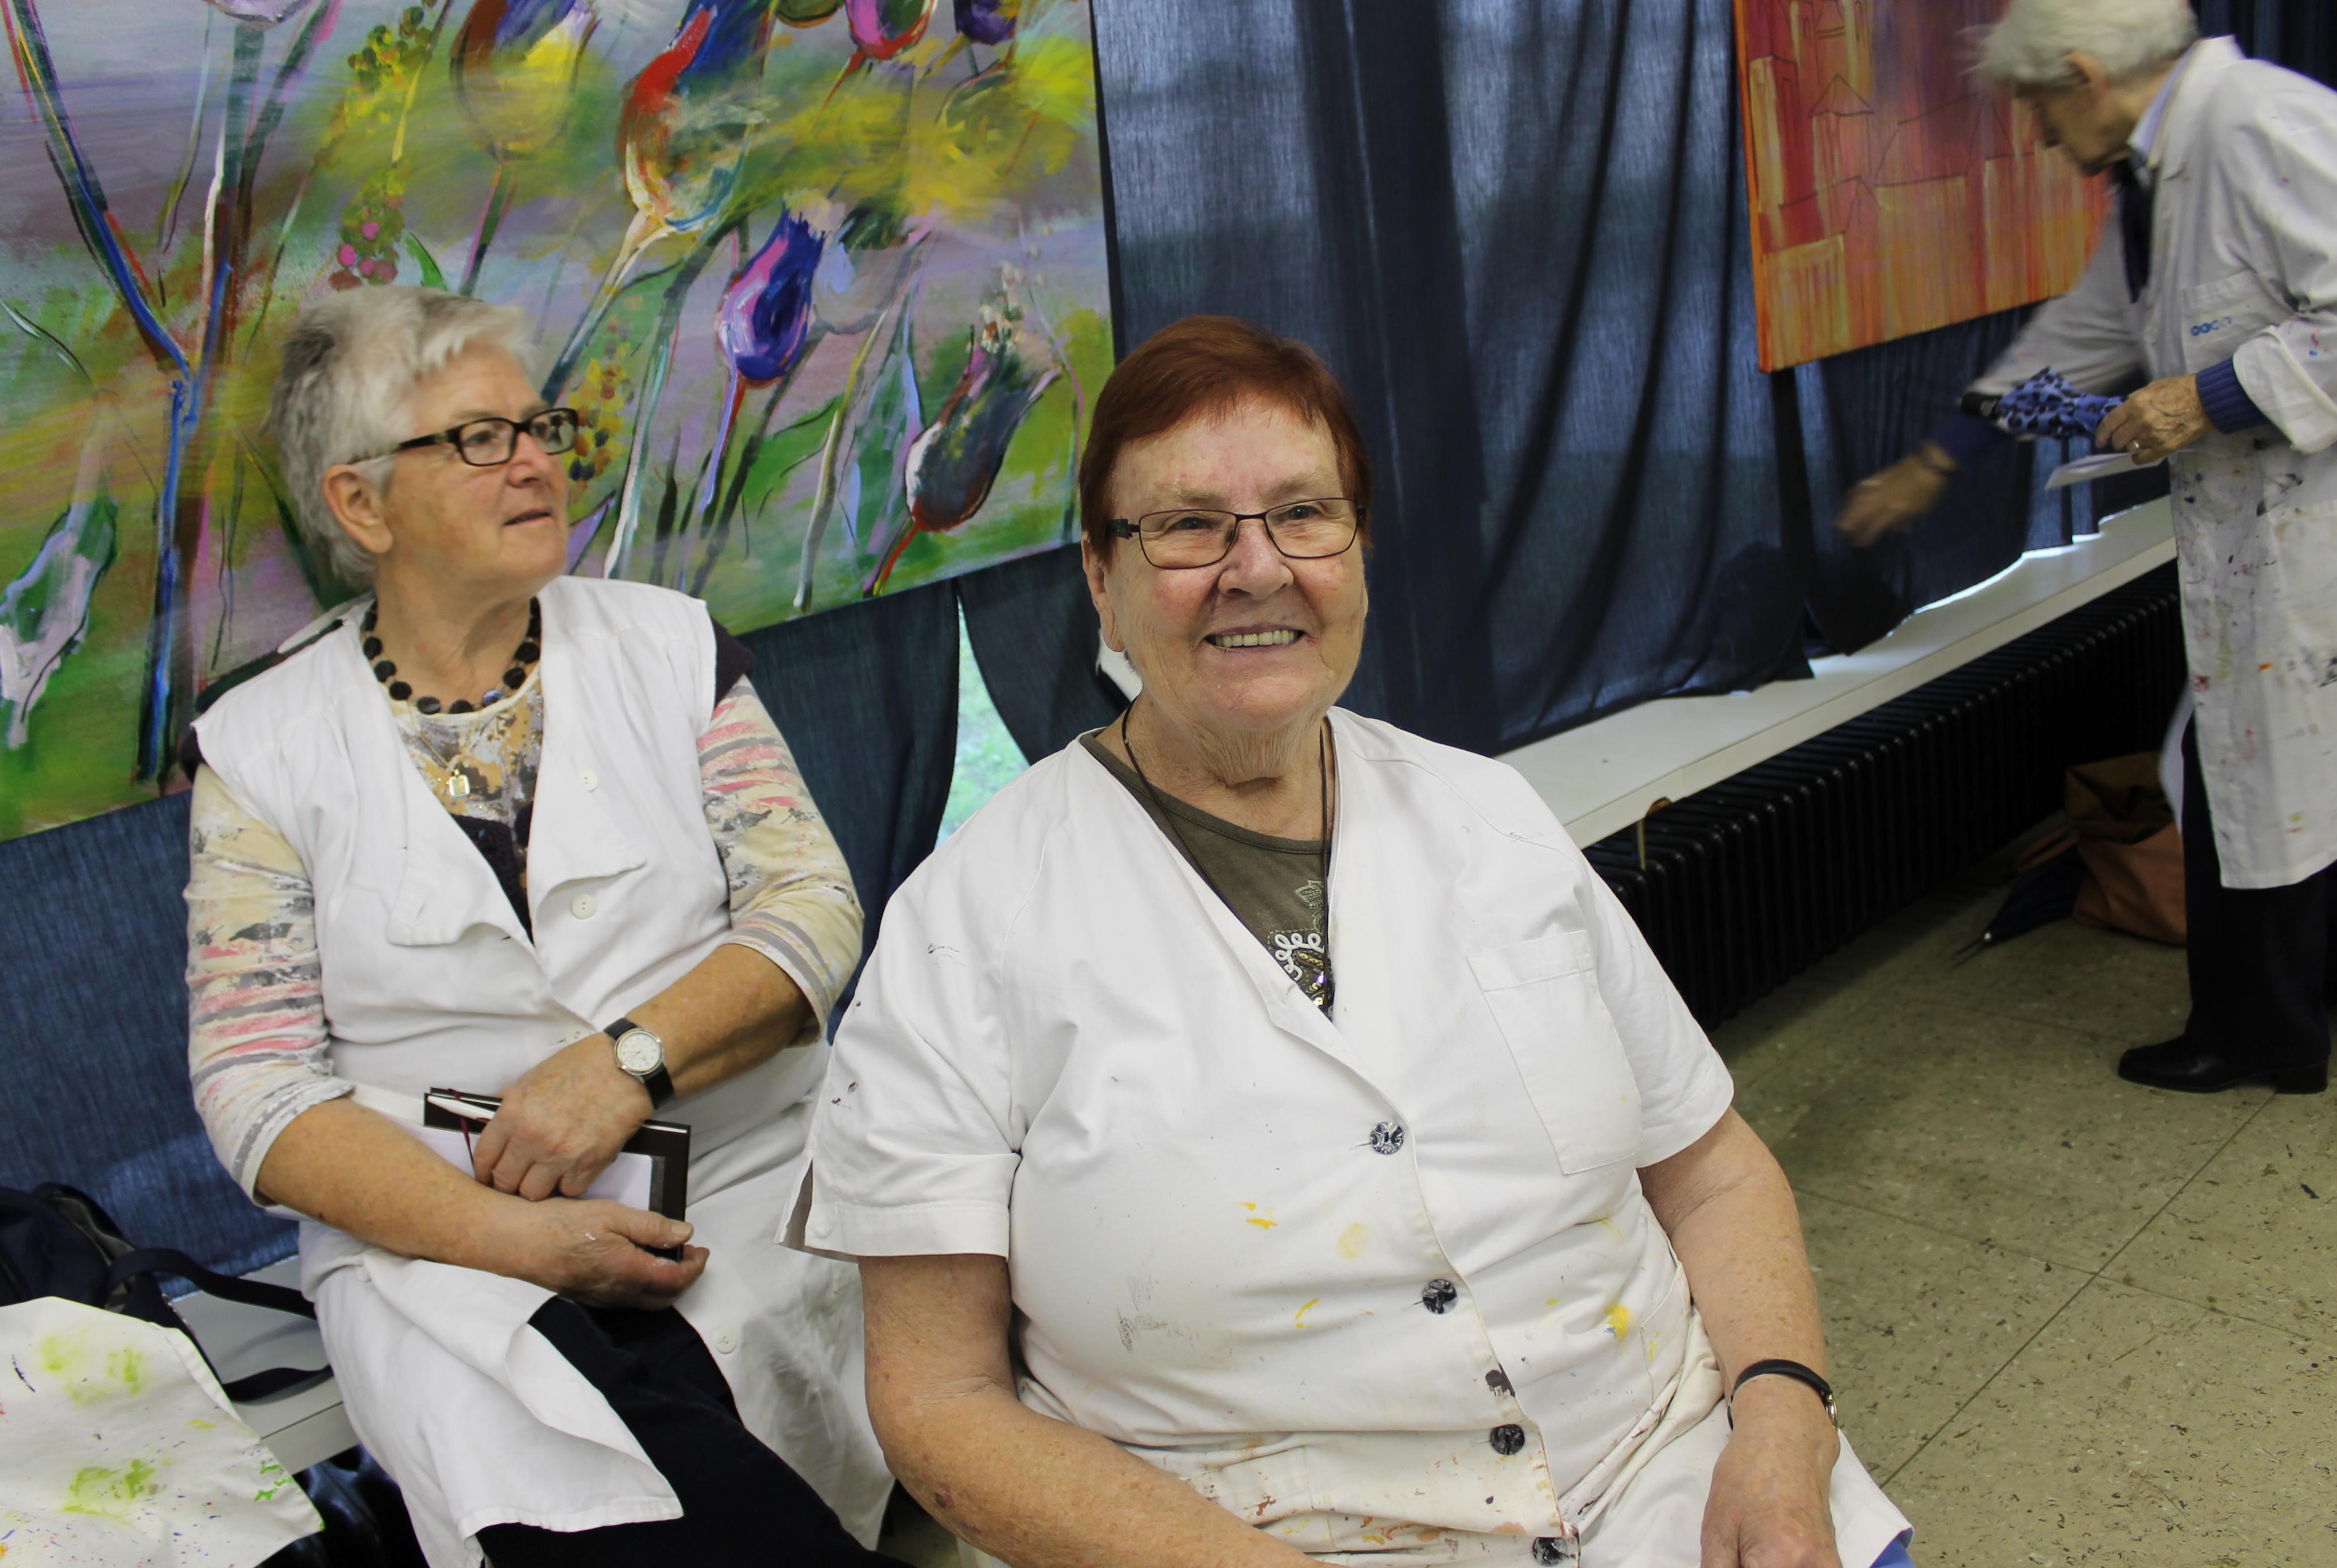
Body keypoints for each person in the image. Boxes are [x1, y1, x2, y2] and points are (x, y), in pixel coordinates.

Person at [792, 316, 1914, 1567]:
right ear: (1099, 579)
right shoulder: (962, 928)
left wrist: (1782, 1423)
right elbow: (937, 1400)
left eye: (1302, 514)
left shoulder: (1489, 815)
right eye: (1187, 526)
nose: (1256, 568)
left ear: (1358, 550)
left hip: (1678, 1478)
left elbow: (1710, 1173)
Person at [183, 287, 897, 1567]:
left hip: (738, 1181)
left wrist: (622, 1066)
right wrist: (513, 1239)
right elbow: (254, 1080)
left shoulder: (668, 648)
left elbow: (809, 910)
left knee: (722, 1463)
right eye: (476, 438)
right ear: (360, 505)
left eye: (537, 426)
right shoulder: (261, 747)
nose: (531, 460)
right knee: (579, 1494)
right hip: (440, 1244)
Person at [1836, 0, 2337, 1095]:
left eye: (2034, 107)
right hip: (2270, 536)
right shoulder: (2160, 173)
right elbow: (2095, 326)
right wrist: (1942, 458)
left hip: (2320, 527)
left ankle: (2261, 1037)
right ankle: (2292, 1009)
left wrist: (2206, 398)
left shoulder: (2261, 126)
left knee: (2264, 779)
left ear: (2083, 74)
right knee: (2264, 775)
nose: (2034, 136)